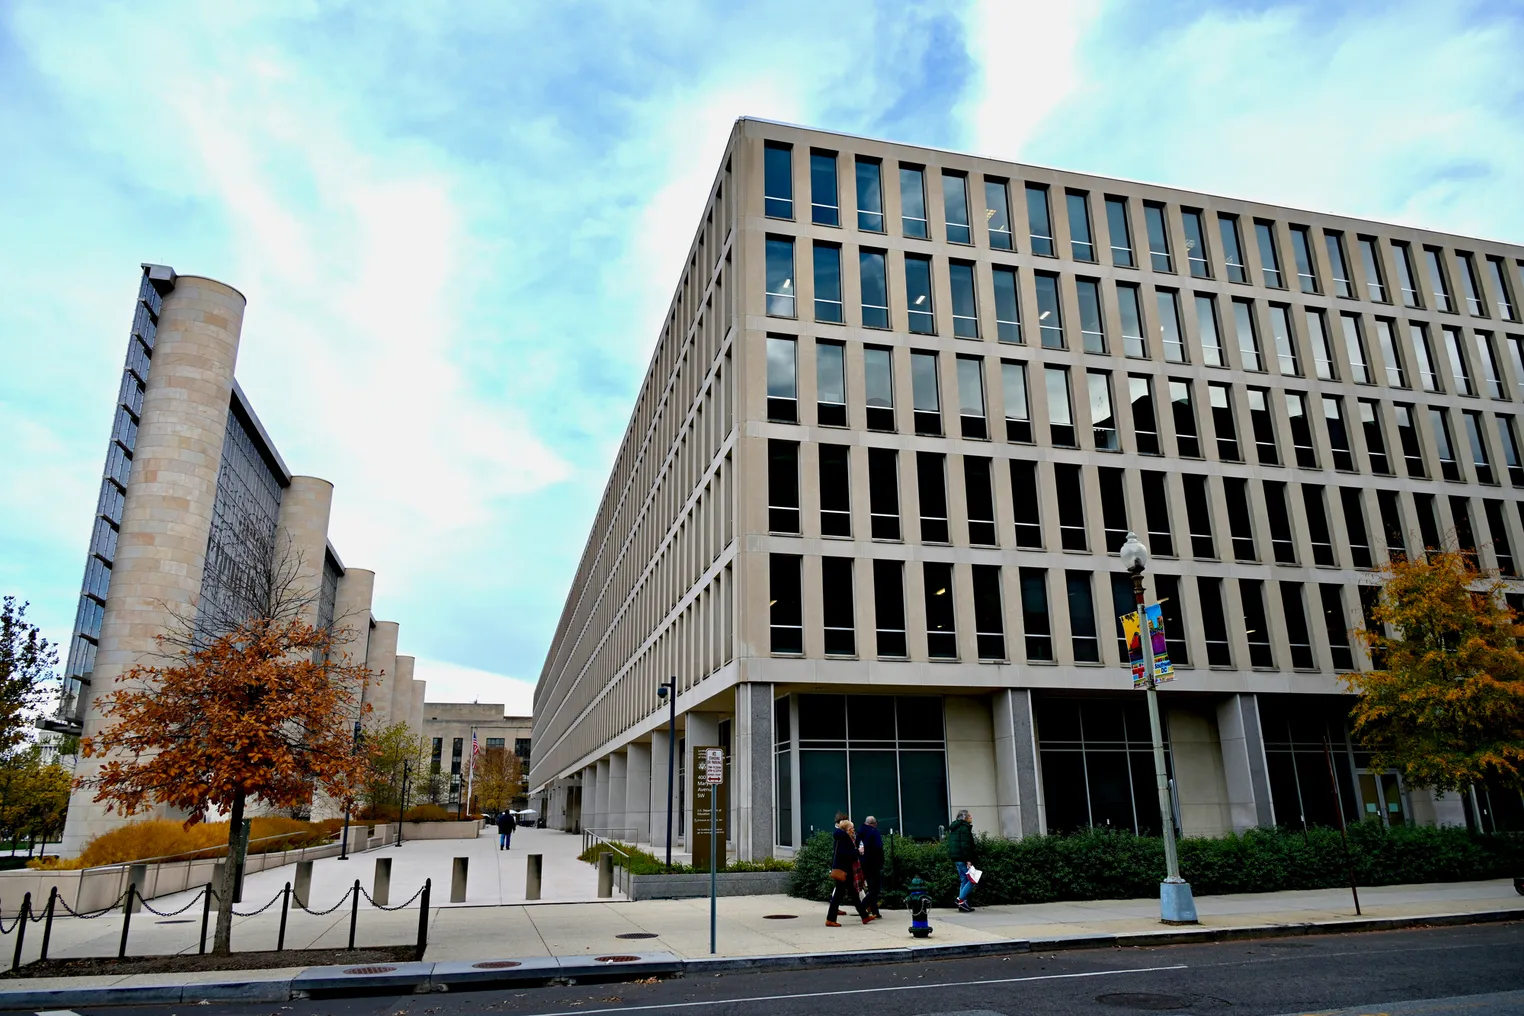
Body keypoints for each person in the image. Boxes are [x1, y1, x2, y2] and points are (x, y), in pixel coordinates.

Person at [826, 818, 873, 927]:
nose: (853, 830)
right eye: (851, 828)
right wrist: (858, 851)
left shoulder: (842, 837)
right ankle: (830, 919)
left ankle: (864, 916)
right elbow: (845, 854)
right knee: (839, 895)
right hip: (844, 871)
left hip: (845, 870)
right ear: (847, 829)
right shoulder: (844, 838)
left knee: (854, 894)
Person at [946, 808, 977, 913]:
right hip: (962, 858)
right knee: (972, 879)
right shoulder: (964, 828)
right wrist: (968, 859)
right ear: (965, 818)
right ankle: (960, 899)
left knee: (964, 879)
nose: (971, 817)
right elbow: (965, 845)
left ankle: (963, 905)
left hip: (956, 857)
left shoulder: (955, 827)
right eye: (969, 816)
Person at [857, 815, 884, 918]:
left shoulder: (860, 832)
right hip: (874, 863)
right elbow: (878, 848)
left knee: (871, 887)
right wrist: (881, 862)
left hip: (863, 863)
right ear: (874, 823)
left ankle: (875, 911)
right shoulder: (874, 832)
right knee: (875, 888)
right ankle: (862, 906)